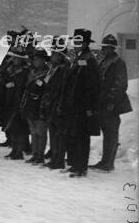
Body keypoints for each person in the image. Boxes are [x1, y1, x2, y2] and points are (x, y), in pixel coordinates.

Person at [91, 34, 132, 172]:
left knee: (111, 134)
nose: (104, 49)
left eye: (107, 47)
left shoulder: (118, 62)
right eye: (103, 47)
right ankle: (105, 161)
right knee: (107, 133)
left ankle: (108, 163)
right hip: (102, 103)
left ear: (112, 48)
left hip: (111, 105)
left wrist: (111, 101)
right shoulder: (104, 61)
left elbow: (121, 85)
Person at [63, 28, 100, 178]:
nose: (75, 43)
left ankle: (81, 167)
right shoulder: (79, 57)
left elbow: (92, 85)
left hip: (83, 106)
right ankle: (75, 164)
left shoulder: (89, 59)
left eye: (78, 41)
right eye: (75, 41)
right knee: (74, 135)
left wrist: (89, 107)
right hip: (74, 104)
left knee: (82, 137)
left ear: (85, 43)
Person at [40, 36, 71, 170]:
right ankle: (54, 157)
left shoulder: (64, 69)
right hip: (51, 104)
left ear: (60, 55)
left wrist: (60, 105)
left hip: (59, 105)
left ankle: (59, 160)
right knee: (53, 132)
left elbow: (63, 90)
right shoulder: (53, 68)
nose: (51, 56)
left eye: (54, 53)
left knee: (59, 134)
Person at [21, 47, 49, 164]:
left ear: (44, 60)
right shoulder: (31, 72)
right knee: (33, 130)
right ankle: (35, 153)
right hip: (30, 103)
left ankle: (40, 155)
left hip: (40, 104)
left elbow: (47, 90)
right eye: (35, 59)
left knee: (41, 131)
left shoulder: (47, 73)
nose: (36, 61)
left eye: (39, 59)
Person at [1, 46, 29, 160]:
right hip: (9, 101)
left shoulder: (26, 72)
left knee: (21, 129)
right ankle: (14, 150)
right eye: (14, 57)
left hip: (20, 103)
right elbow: (5, 83)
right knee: (12, 128)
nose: (15, 59)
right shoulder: (9, 70)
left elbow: (24, 87)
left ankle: (19, 151)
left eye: (18, 58)